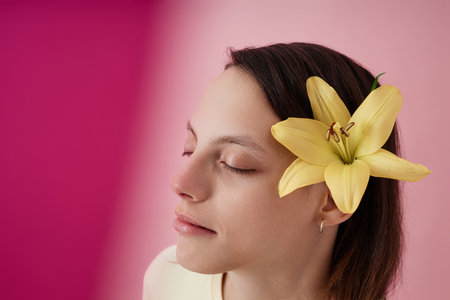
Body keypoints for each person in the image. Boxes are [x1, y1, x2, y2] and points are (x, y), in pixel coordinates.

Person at [142, 43, 430, 300]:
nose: (180, 183)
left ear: (332, 201)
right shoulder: (168, 280)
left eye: (234, 163)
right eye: (189, 148)